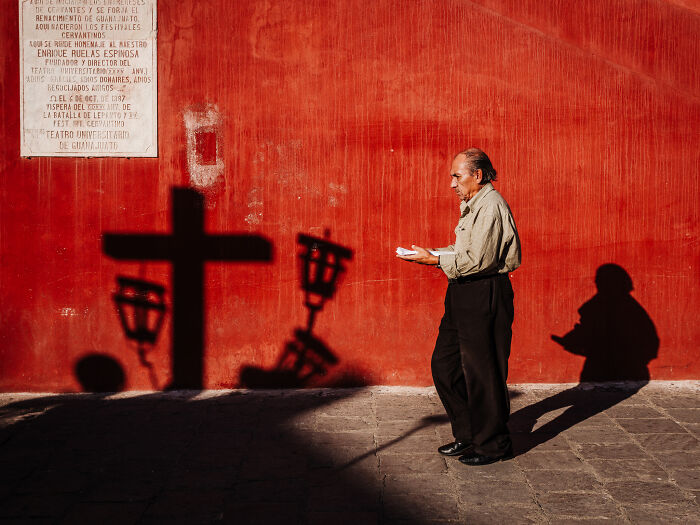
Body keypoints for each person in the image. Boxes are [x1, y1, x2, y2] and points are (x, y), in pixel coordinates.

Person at [397, 148, 521, 466]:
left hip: (484, 292)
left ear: (477, 175)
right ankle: (469, 434)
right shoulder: (473, 204)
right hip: (462, 293)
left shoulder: (491, 206)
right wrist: (432, 253)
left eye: (457, 175)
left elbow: (478, 261)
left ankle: (493, 444)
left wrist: (435, 260)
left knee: (484, 373)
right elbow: (463, 250)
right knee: (445, 365)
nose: (452, 183)